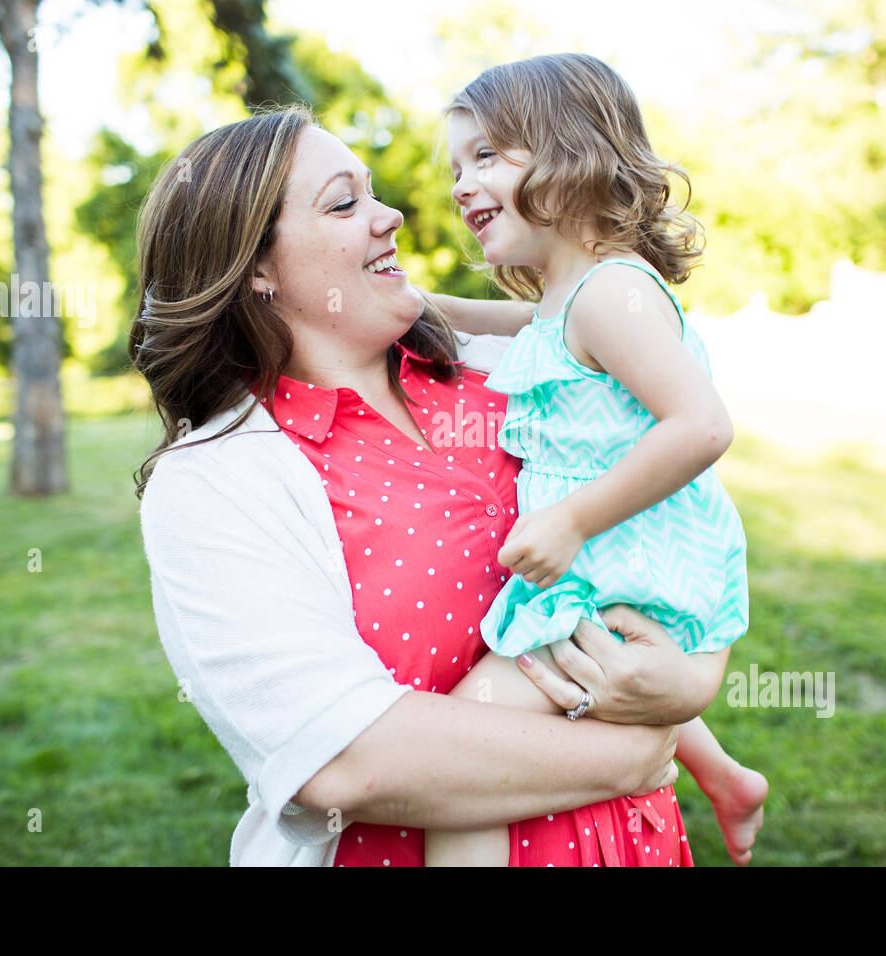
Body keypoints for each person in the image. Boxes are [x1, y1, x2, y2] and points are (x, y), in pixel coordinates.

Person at [133, 103, 733, 866]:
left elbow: (687, 529)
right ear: (254, 266)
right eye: (344, 203)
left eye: (373, 193)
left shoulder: (508, 373)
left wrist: (692, 682)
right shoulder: (219, 480)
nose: (391, 216)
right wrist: (639, 753)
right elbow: (342, 759)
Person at [422, 53, 768, 867]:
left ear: (571, 154)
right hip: (626, 559)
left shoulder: (610, 294)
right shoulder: (570, 297)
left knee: (464, 737)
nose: (461, 184)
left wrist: (572, 520)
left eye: (486, 157)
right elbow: (514, 326)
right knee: (615, 678)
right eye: (456, 167)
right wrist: (418, 304)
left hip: (632, 556)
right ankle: (726, 778)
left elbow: (703, 425)